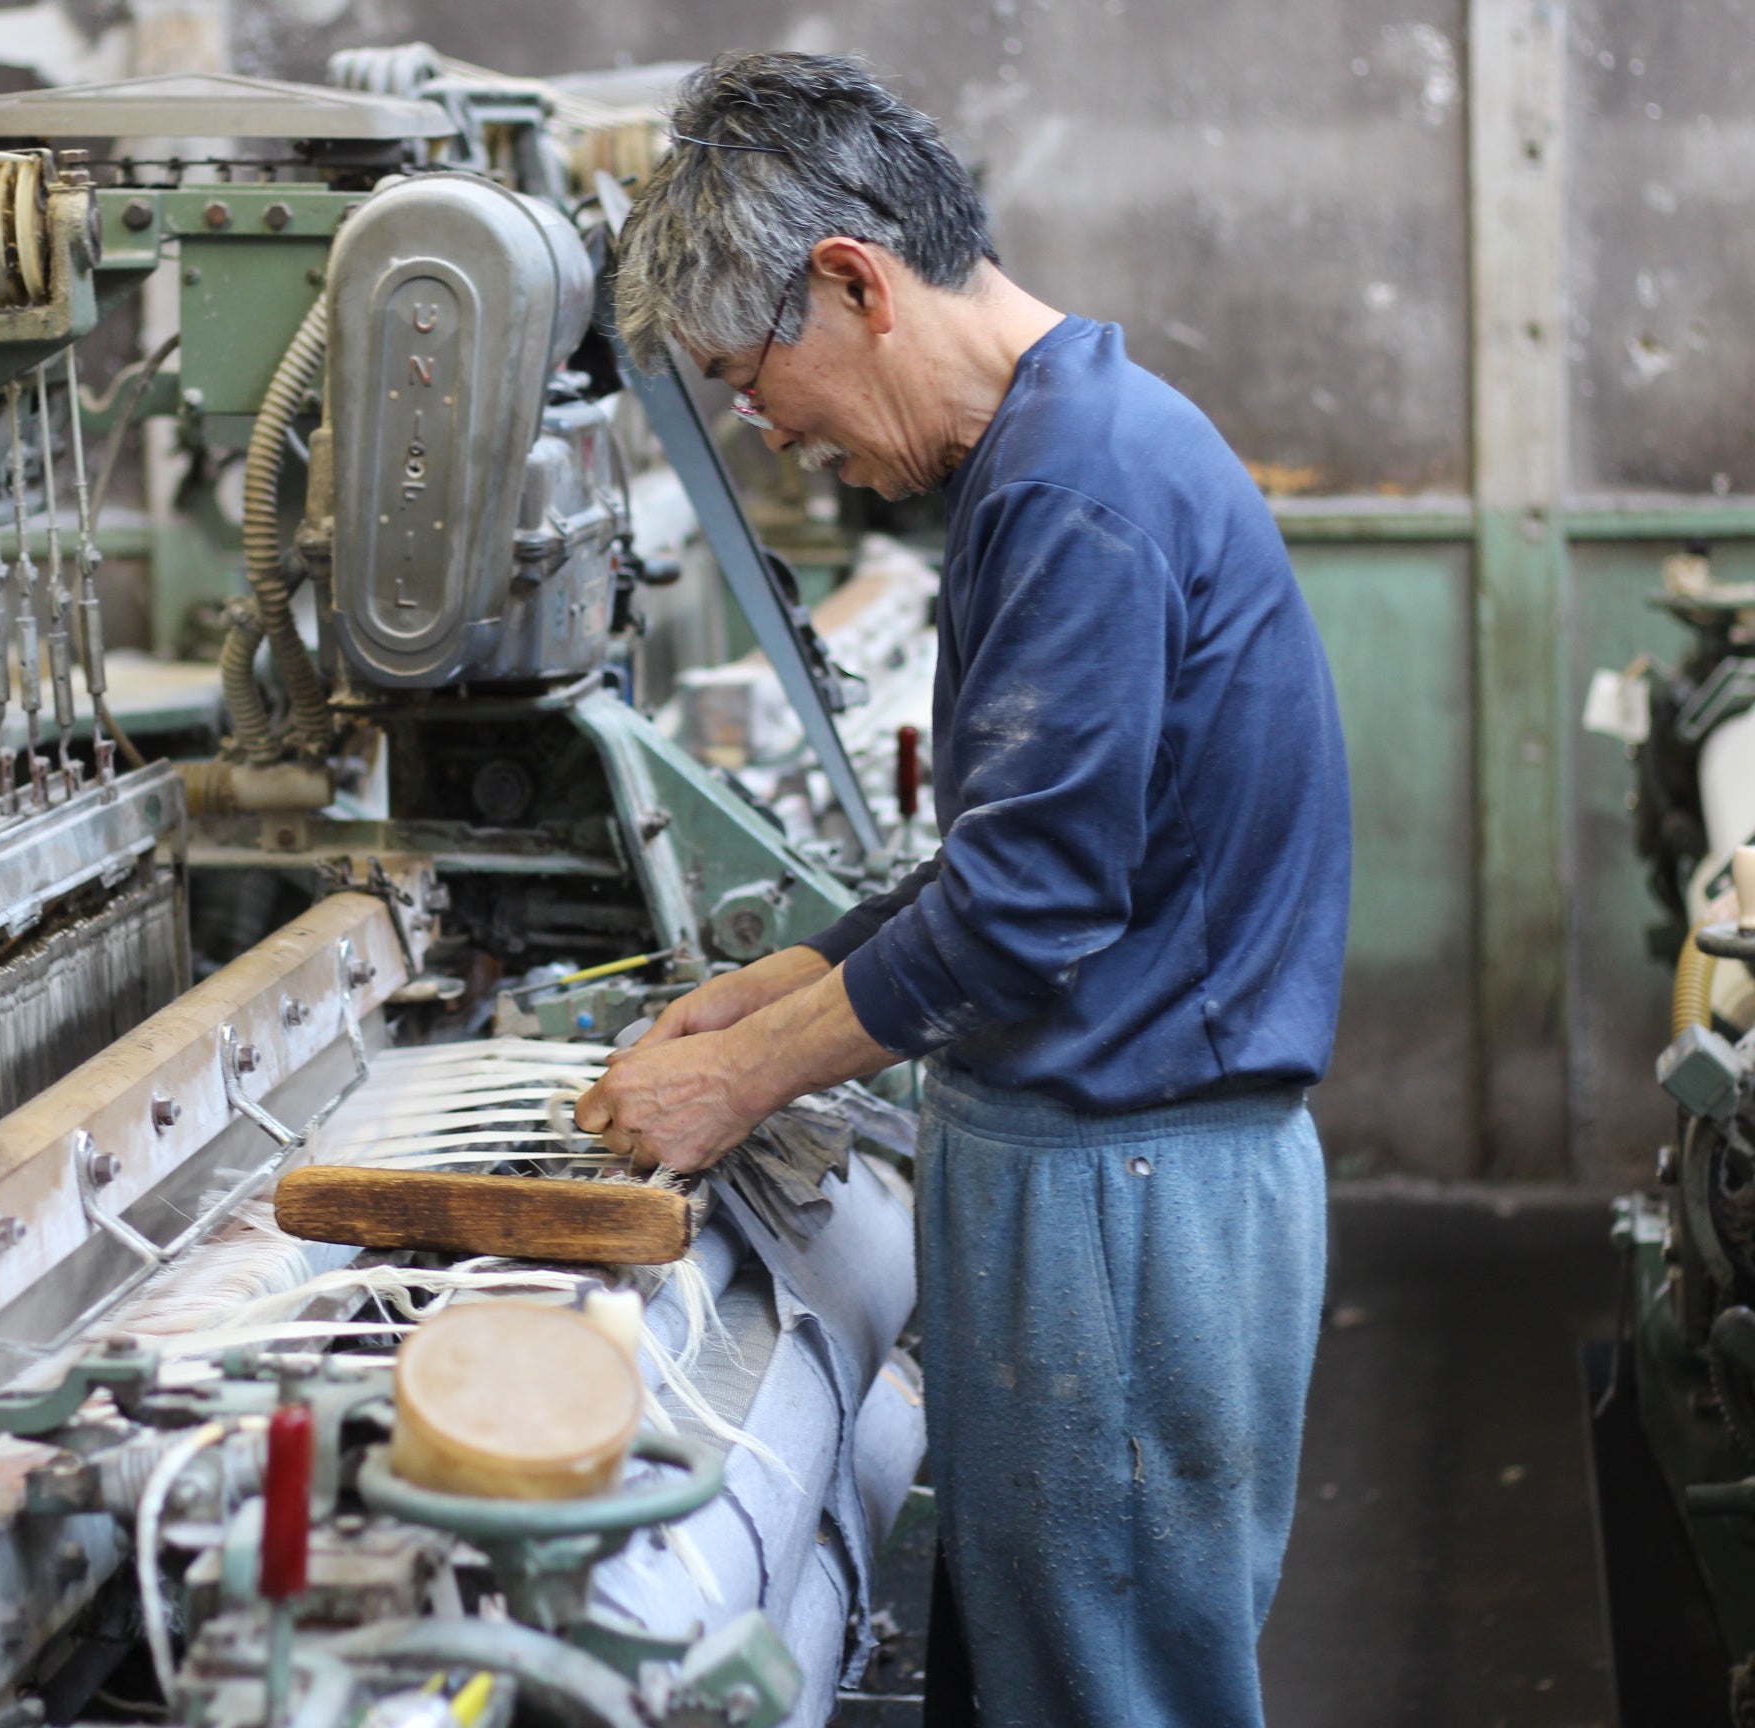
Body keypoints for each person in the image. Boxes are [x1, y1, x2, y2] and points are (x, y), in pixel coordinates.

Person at [575, 50, 1350, 1728]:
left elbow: (1029, 909)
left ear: (853, 282)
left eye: (751, 379)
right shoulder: (1060, 449)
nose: (773, 433)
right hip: (1117, 1188)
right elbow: (1021, 859)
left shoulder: (1078, 484)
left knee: (1111, 1691)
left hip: (1130, 1202)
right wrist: (783, 982)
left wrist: (733, 1081)